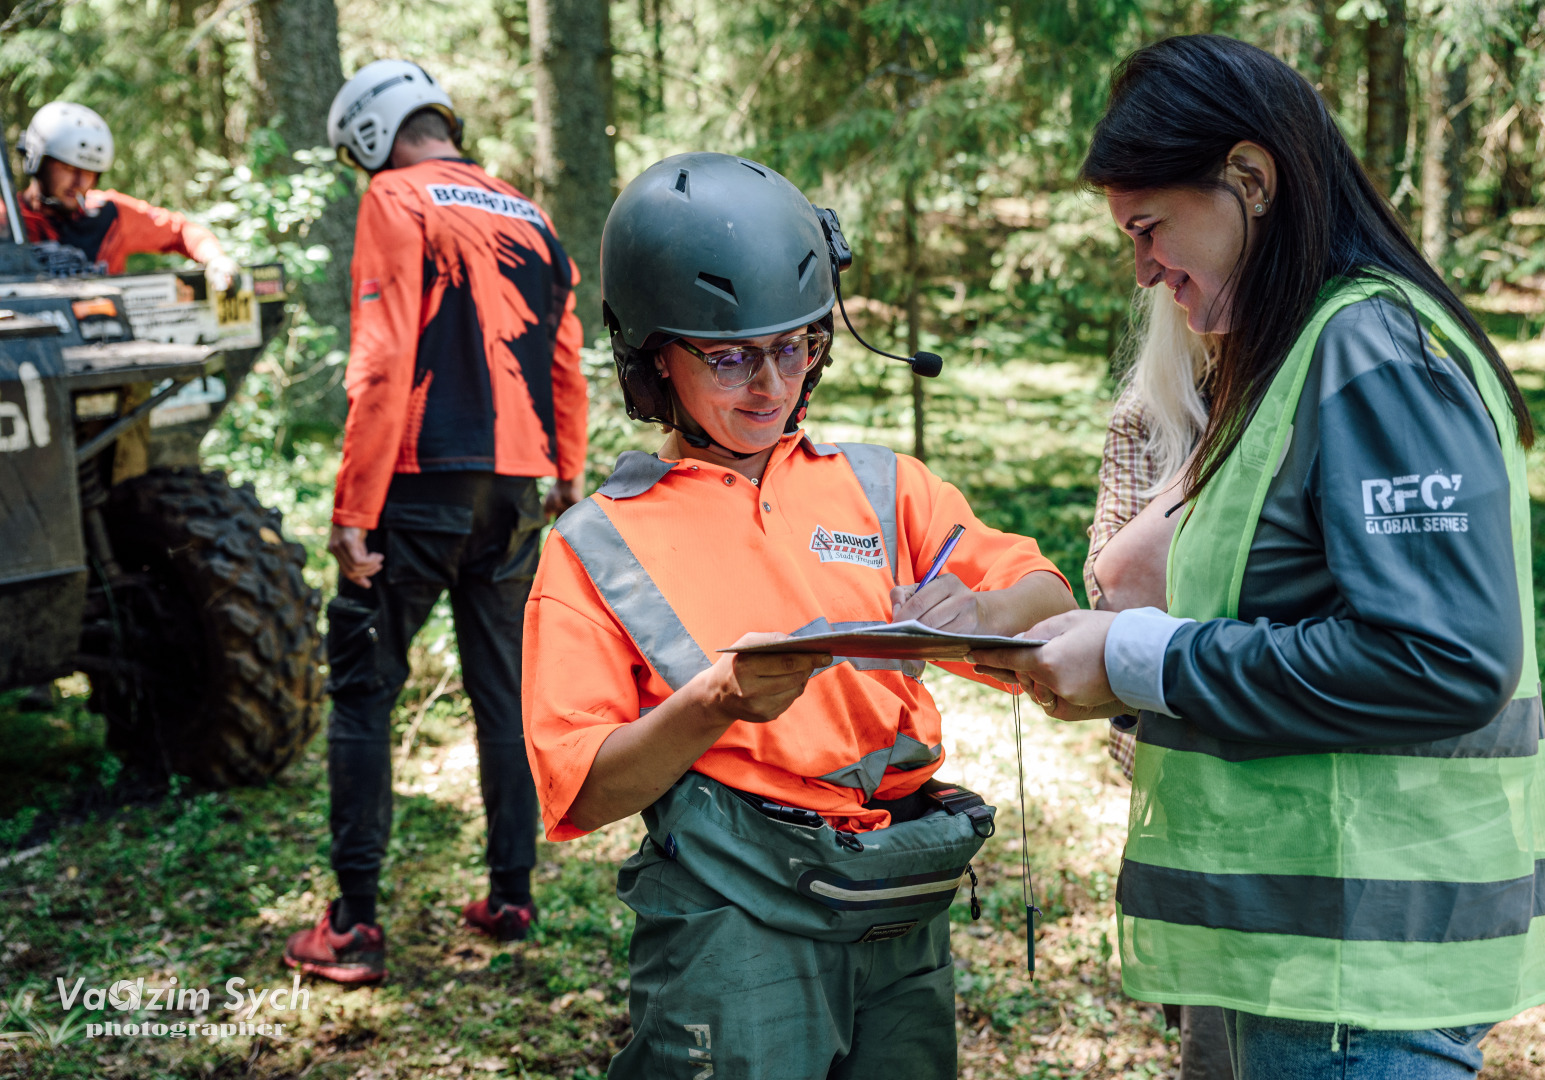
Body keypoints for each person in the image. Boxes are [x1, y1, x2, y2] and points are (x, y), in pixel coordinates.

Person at [974, 35, 1545, 1080]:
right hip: (1308, 970)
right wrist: (1116, 660)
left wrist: (1135, 659)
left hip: (1356, 985)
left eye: (1151, 228)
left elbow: (1441, 658)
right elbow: (1285, 631)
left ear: (1250, 179)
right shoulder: (1297, 358)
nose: (1146, 269)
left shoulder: (1369, 349)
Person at [521, 152, 1076, 1078]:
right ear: (653, 356)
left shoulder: (878, 486)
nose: (770, 385)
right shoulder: (595, 545)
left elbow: (1047, 599)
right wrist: (715, 704)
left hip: (898, 900)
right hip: (733, 923)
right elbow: (581, 787)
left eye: (796, 346)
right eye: (730, 356)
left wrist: (980, 607)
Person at [282, 59, 587, 984]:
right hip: (516, 490)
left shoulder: (396, 199)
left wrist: (352, 508)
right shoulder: (527, 210)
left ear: (370, 135)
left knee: (365, 692)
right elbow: (566, 358)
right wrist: (566, 473)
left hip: (418, 482)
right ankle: (511, 892)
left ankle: (355, 926)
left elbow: (382, 359)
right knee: (501, 690)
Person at [1085, 285, 1233, 1080]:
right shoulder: (1151, 412)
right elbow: (1110, 588)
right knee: (1205, 1013)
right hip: (1177, 763)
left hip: (1290, 757)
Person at [15, 101, 238, 289]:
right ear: (38, 161)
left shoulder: (110, 215)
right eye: (69, 169)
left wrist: (216, 259)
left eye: (90, 173)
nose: (81, 183)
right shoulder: (8, 221)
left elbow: (181, 232)